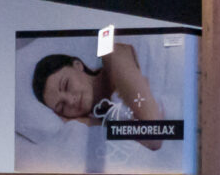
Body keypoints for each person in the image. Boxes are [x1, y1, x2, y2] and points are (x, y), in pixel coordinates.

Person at [30, 41, 172, 149]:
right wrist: (91, 122)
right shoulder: (103, 117)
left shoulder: (111, 55)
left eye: (66, 85)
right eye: (61, 106)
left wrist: (90, 122)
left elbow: (154, 135)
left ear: (78, 65)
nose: (70, 101)